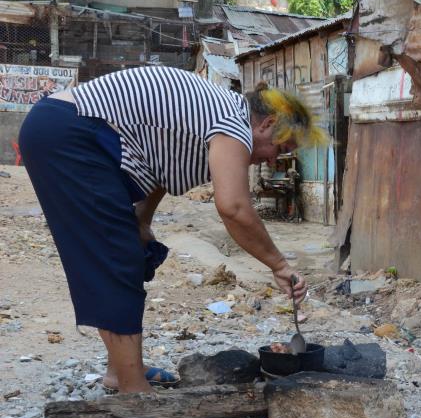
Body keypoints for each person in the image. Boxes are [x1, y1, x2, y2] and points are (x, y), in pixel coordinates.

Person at [18, 66, 325, 394]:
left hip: (72, 132)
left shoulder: (217, 116)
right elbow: (234, 208)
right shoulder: (233, 123)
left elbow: (161, 164)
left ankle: (119, 372)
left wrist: (142, 220)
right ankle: (135, 392)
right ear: (267, 124)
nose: (271, 161)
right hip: (70, 132)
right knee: (115, 257)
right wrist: (279, 265)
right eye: (279, 149)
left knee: (131, 251)